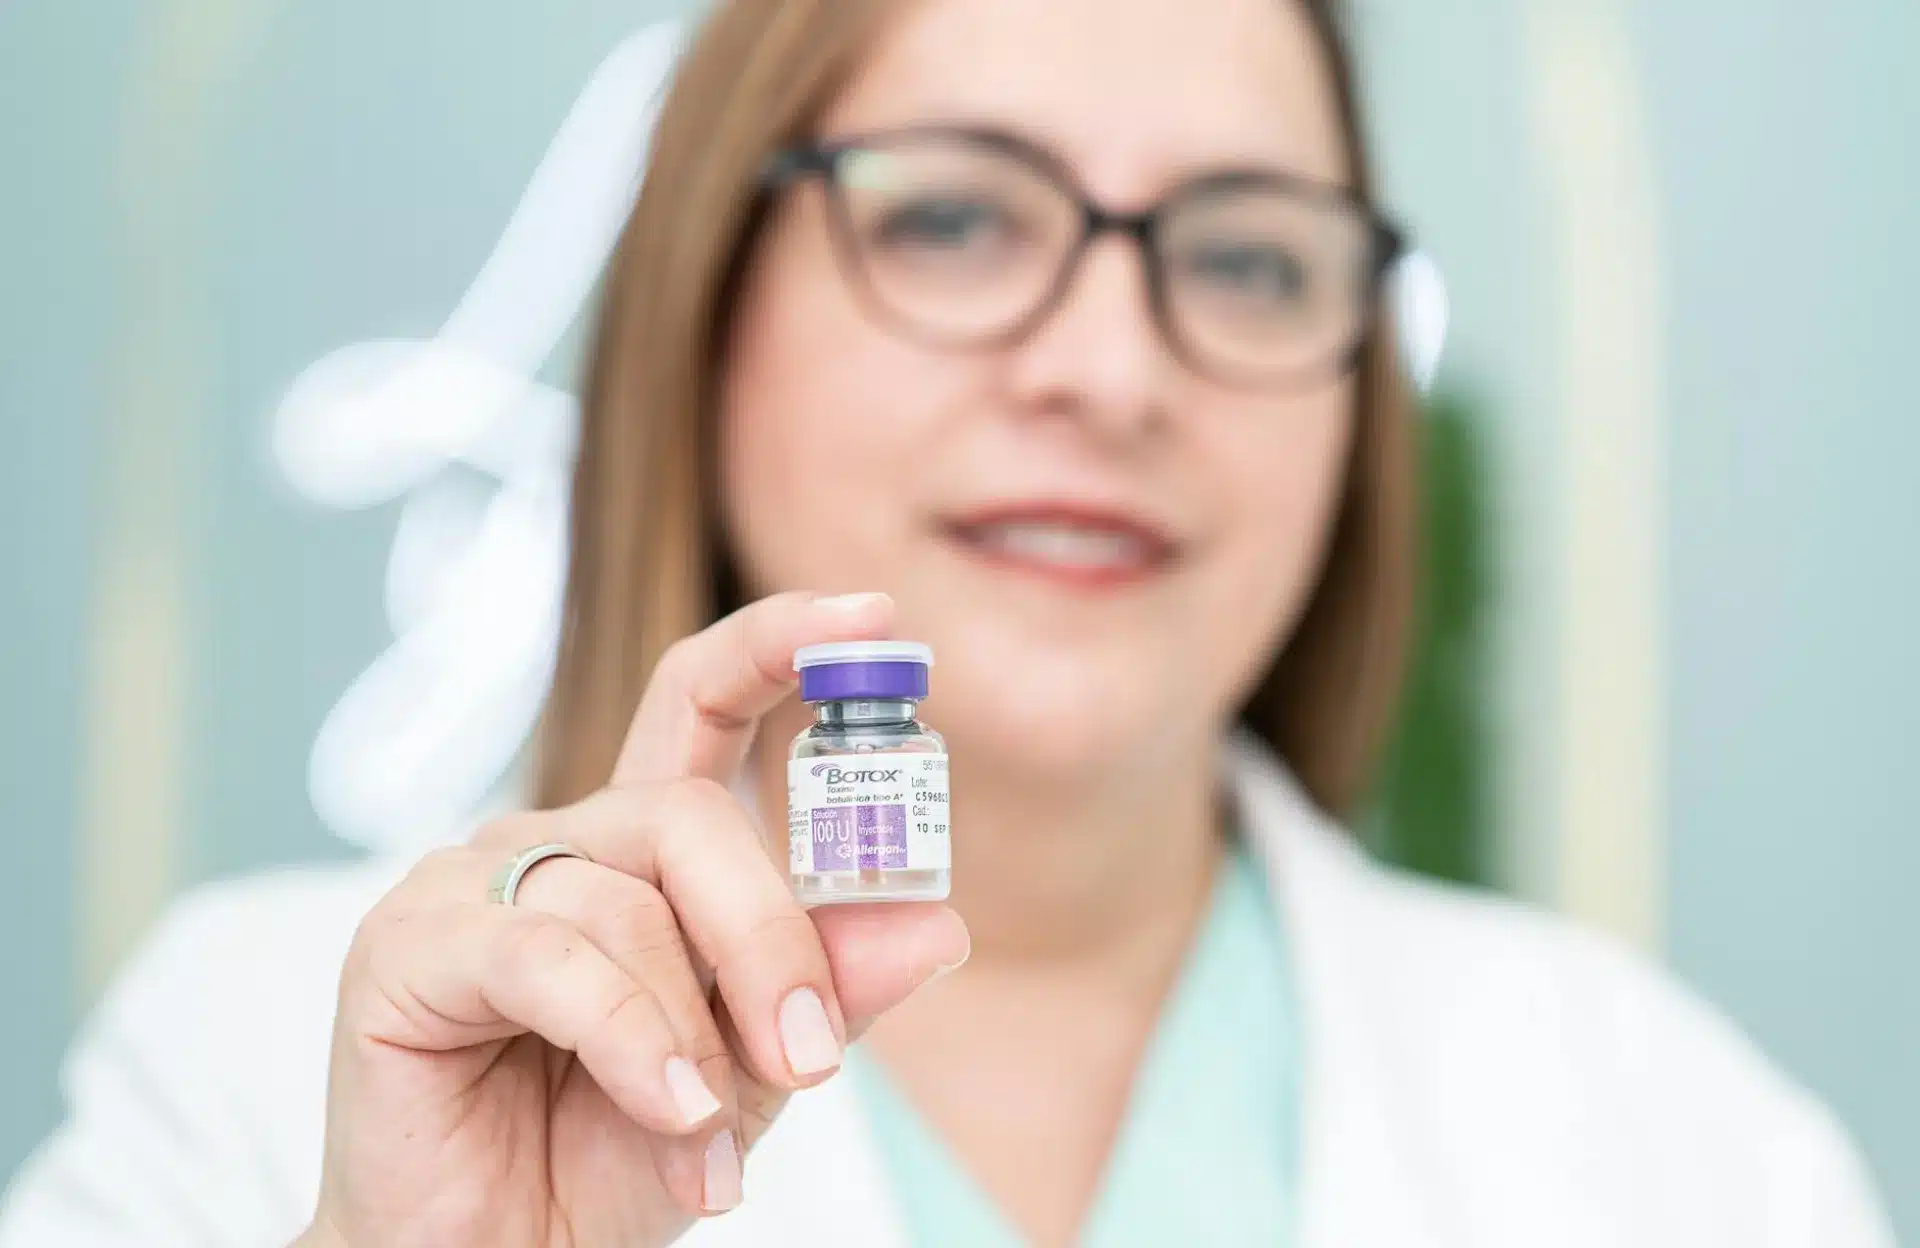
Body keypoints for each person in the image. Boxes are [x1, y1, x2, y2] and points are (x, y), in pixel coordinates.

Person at [0, 0, 1896, 1244]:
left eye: (1244, 256)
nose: (1107, 368)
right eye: (957, 220)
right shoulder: (250, 1067)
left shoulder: (1691, 1154)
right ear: (703, 312)